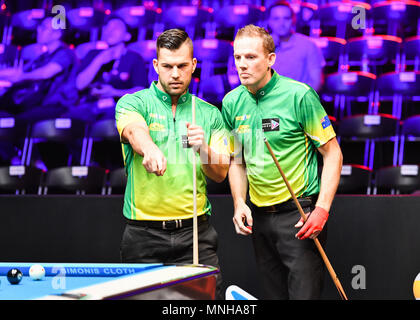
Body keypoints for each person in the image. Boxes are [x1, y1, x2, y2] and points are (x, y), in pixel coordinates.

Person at [221, 25, 343, 300]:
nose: (242, 65)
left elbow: (332, 153)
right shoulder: (231, 102)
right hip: (260, 218)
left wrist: (321, 210)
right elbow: (236, 161)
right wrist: (240, 202)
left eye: (251, 57)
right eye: (238, 57)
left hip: (299, 216)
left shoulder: (299, 95)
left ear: (271, 59)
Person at [115, 29, 230, 300]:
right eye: (167, 66)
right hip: (143, 236)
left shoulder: (211, 114)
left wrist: (204, 148)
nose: (175, 74)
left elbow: (220, 173)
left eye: (181, 66)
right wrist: (150, 149)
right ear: (156, 66)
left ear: (193, 65)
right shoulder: (134, 102)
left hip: (195, 234)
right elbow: (133, 131)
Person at [68, 16, 148, 122]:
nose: (110, 31)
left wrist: (114, 92)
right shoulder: (93, 54)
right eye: (107, 27)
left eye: (116, 28)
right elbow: (80, 84)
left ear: (127, 36)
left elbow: (141, 92)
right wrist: (99, 61)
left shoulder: (134, 58)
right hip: (90, 107)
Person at [0, 15, 78, 123]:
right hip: (37, 104)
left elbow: (45, 73)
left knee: (13, 122)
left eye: (44, 27)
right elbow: (21, 71)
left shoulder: (65, 54)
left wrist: (21, 77)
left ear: (57, 34)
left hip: (55, 107)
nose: (38, 29)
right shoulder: (44, 55)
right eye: (40, 26)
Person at [268, 1, 325, 92]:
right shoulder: (260, 46)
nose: (281, 23)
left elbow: (317, 81)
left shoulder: (308, 45)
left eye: (286, 18)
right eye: (276, 19)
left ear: (293, 20)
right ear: (269, 21)